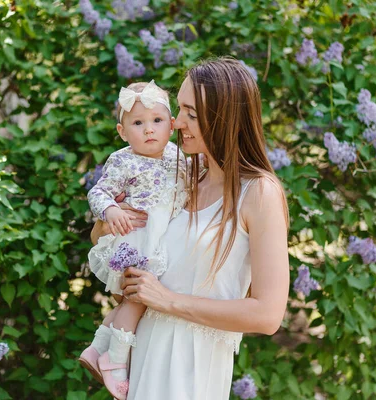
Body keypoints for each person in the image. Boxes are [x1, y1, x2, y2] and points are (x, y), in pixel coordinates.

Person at [90, 57, 290, 399]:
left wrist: (168, 300)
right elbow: (100, 239)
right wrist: (112, 222)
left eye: (191, 114)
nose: (177, 121)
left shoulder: (257, 193)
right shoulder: (180, 175)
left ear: (224, 118)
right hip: (143, 355)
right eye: (180, 109)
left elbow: (268, 315)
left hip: (192, 367)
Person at [79, 80, 187, 399]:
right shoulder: (123, 159)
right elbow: (98, 191)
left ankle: (97, 347)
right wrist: (111, 210)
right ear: (123, 131)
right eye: (138, 123)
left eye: (156, 120)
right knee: (137, 298)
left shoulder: (178, 156)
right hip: (136, 239)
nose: (149, 129)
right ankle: (115, 361)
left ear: (171, 124)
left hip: (158, 237)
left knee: (130, 300)